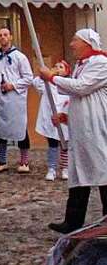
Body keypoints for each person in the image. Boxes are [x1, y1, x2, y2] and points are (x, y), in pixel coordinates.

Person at [40, 29, 107, 233]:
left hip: (96, 128)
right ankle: (73, 221)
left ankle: (106, 220)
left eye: (74, 40)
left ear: (87, 42)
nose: (71, 44)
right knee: (79, 174)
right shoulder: (82, 65)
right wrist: (67, 118)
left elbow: (81, 87)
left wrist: (52, 77)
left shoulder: (101, 63)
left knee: (103, 171)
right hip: (82, 129)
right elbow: (78, 96)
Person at [0, 27, 33, 173]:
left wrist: (13, 85)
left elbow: (28, 78)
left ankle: (24, 161)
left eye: (5, 34)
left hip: (15, 100)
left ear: (11, 37)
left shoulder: (20, 57)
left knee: (20, 130)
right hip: (0, 100)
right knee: (0, 130)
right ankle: (2, 161)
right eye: (0, 35)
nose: (2, 37)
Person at [32, 60, 70, 181]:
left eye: (61, 67)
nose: (57, 68)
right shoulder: (47, 84)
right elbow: (36, 83)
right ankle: (52, 169)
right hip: (51, 118)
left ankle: (65, 168)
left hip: (64, 118)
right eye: (55, 66)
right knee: (52, 145)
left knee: (65, 145)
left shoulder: (69, 84)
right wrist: (47, 74)